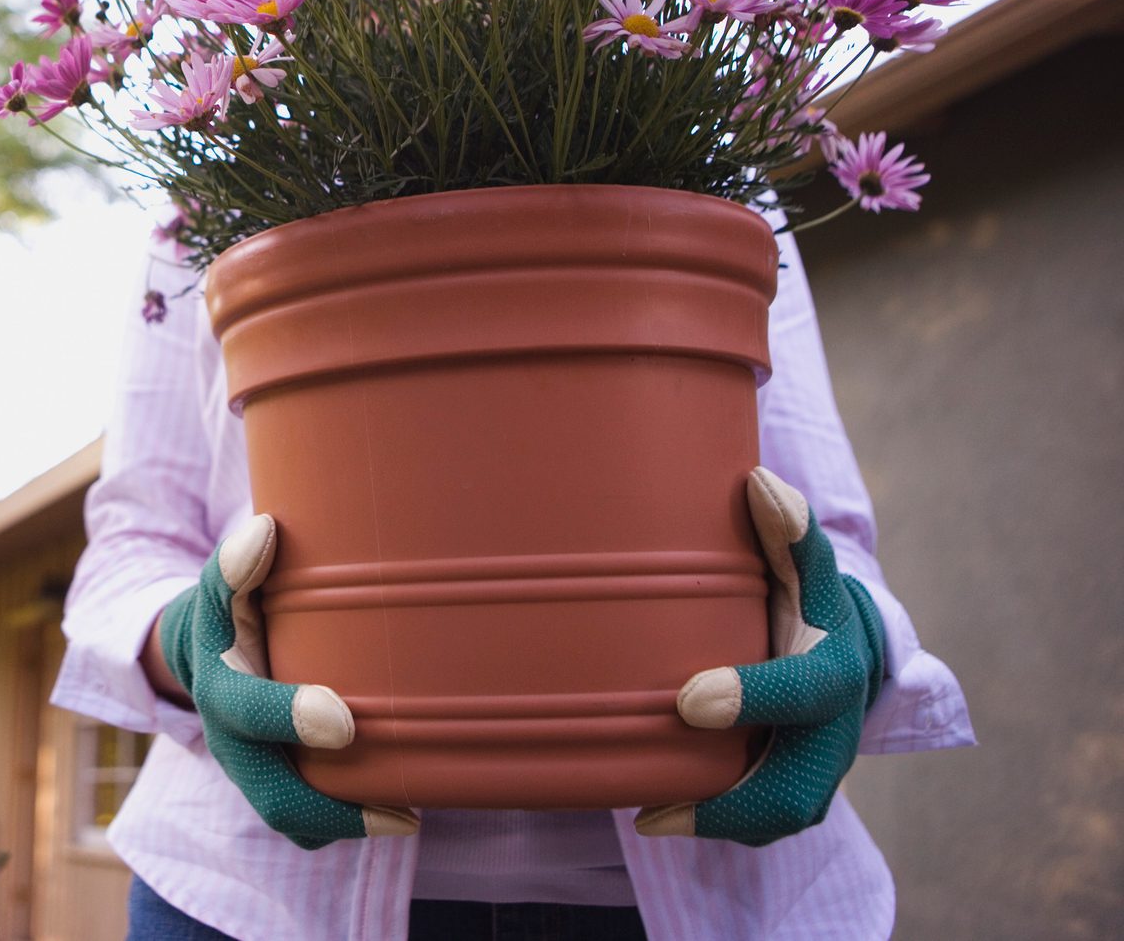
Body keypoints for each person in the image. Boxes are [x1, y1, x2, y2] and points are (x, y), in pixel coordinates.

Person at [51, 220, 974, 940]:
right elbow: (135, 541)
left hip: (727, 894)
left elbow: (822, 525)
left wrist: (849, 625)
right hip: (250, 898)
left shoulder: (719, 154)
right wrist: (185, 642)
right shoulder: (209, 197)